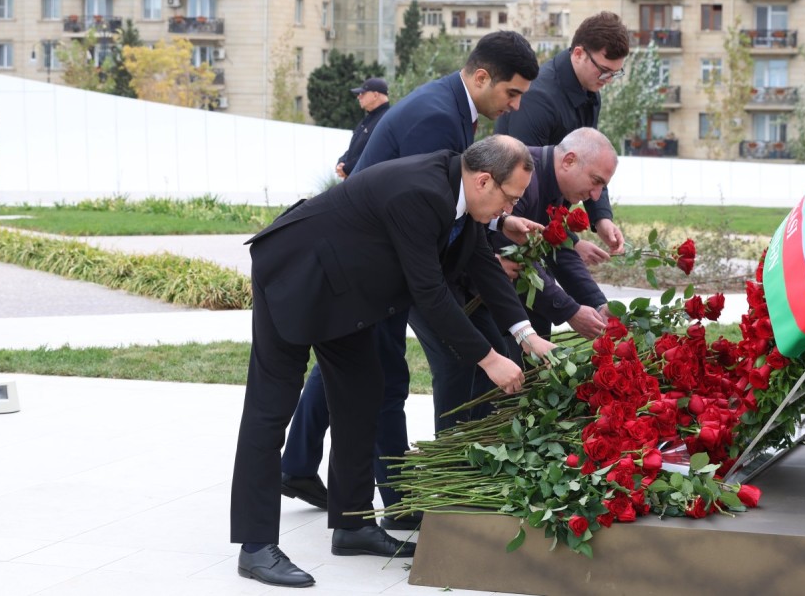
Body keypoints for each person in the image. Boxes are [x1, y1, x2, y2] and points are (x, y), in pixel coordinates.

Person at [230, 138, 543, 588]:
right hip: (296, 275)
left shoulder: (460, 196)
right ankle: (255, 545)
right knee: (270, 408)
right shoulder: (421, 193)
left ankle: (352, 524)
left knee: (362, 394)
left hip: (345, 291)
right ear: (483, 181)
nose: (508, 210)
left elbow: (482, 266)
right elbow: (429, 292)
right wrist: (488, 358)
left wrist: (526, 336)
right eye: (510, 198)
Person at [279, 30, 545, 525]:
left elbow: (461, 209)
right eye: (512, 93)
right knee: (382, 381)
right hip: (369, 265)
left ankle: (300, 466)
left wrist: (498, 223)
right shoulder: (437, 119)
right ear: (482, 77)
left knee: (355, 368)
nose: (514, 106)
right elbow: (428, 221)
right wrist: (489, 355)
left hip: (381, 260)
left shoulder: (452, 106)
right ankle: (399, 505)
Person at [495, 11, 630, 265]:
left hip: (544, 229)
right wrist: (571, 242)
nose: (608, 80)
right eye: (604, 71)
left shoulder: (589, 93)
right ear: (578, 53)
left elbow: (592, 161)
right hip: (511, 229)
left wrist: (601, 217)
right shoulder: (538, 98)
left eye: (615, 73)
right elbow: (526, 185)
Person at [492, 127, 617, 343]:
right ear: (569, 161)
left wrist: (597, 304)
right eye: (595, 181)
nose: (596, 196)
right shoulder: (520, 175)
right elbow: (513, 255)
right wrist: (569, 311)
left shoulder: (554, 184)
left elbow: (560, 249)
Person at [335, 76, 390, 179]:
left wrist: (347, 168)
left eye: (362, 93)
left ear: (375, 95)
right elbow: (354, 149)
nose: (359, 97)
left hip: (371, 181)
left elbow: (377, 152)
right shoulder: (368, 119)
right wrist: (341, 162)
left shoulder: (386, 119)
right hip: (358, 180)